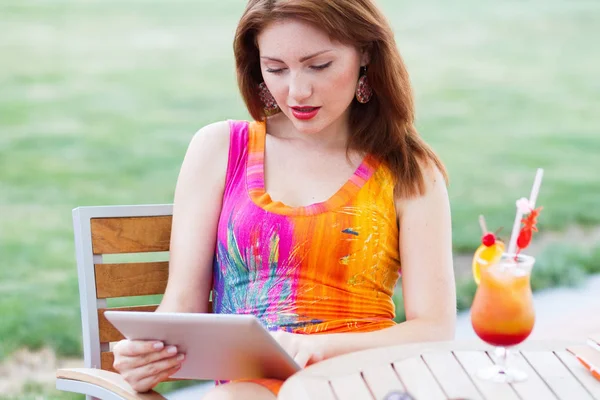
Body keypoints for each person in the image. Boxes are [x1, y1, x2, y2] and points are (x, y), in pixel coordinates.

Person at [112, 0, 456, 398]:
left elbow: (434, 329)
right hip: (250, 387)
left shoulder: (407, 169)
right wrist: (143, 354)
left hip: (362, 379)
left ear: (365, 53)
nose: (297, 91)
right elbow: (182, 303)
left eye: (319, 65)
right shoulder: (220, 148)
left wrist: (314, 349)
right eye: (275, 69)